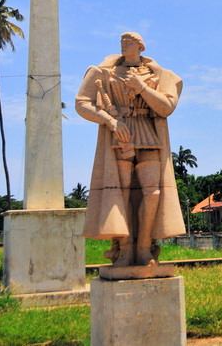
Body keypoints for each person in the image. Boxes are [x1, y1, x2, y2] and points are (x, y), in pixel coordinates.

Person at [75, 32, 185, 266]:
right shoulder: (105, 72)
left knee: (153, 192)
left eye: (129, 42)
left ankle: (145, 246)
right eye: (122, 42)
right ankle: (124, 248)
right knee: (120, 190)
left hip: (147, 131)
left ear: (140, 47)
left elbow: (166, 107)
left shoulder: (160, 75)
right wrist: (110, 121)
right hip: (120, 132)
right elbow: (82, 103)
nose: (124, 45)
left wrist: (142, 88)